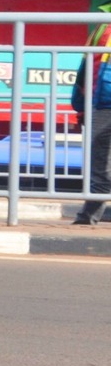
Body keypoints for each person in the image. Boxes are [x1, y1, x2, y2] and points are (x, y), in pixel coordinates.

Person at [72, 23, 111, 225]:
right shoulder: (103, 24)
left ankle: (87, 217)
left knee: (101, 162)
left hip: (103, 101)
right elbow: (87, 66)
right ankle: (88, 217)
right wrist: (81, 103)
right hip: (104, 102)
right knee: (100, 162)